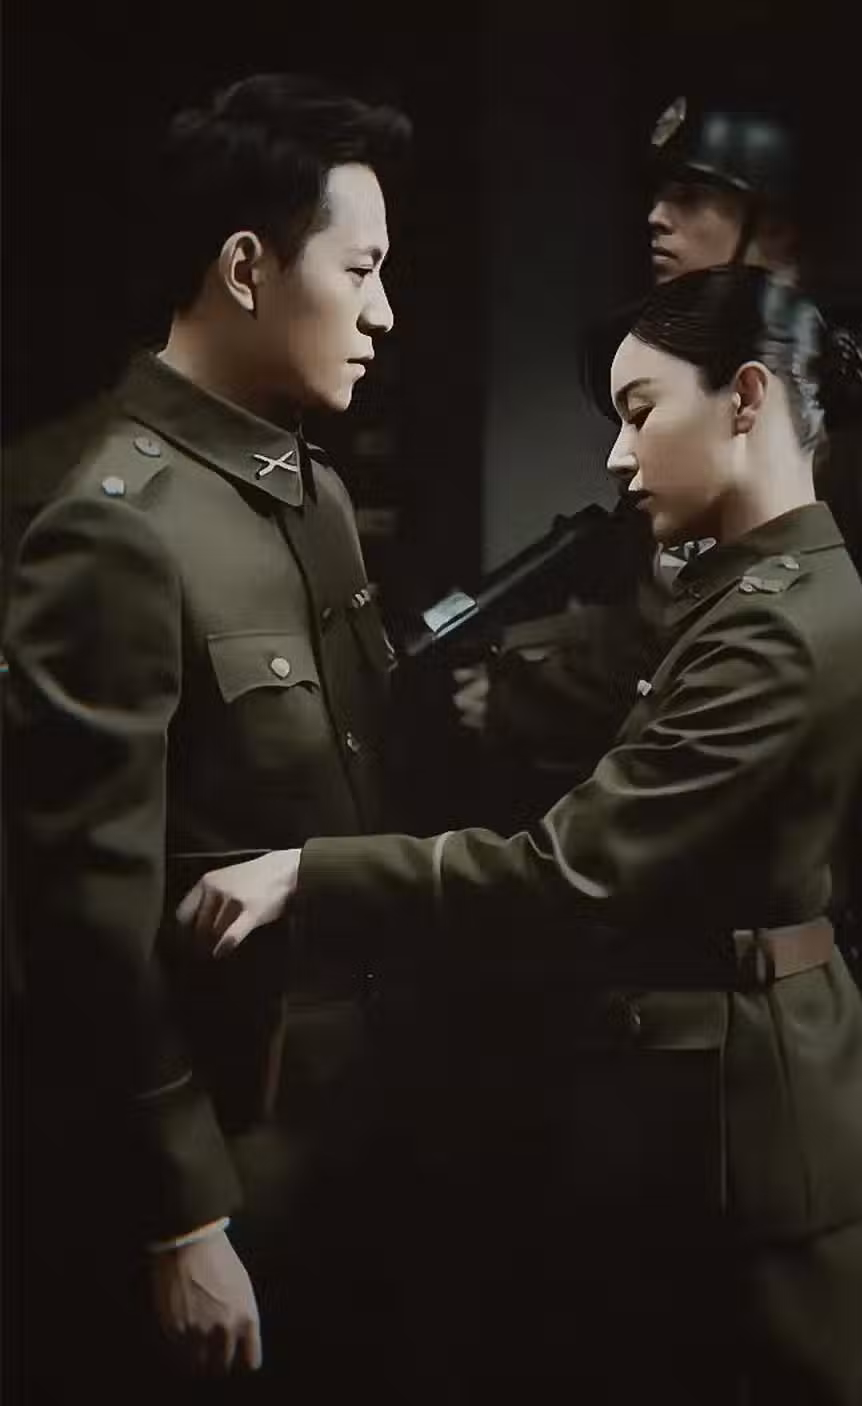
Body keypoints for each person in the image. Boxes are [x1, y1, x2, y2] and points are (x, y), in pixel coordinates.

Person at [179, 266, 862, 1405]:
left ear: (746, 397)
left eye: (639, 412)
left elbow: (571, 869)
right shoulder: (746, 589)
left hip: (765, 1141)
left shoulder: (774, 625)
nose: (618, 457)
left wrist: (308, 874)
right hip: (713, 1114)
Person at [3, 73, 409, 1396]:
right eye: (361, 271)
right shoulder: (112, 520)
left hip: (356, 1120)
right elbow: (82, 909)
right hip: (221, 1161)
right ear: (246, 267)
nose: (384, 312)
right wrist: (181, 1213)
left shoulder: (313, 491)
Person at [451, 96, 851, 812]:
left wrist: (517, 696)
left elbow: (686, 623)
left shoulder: (781, 389)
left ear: (776, 233)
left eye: (691, 198)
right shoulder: (731, 356)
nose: (657, 217)